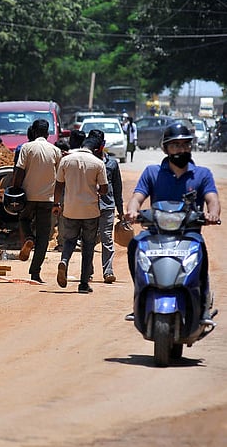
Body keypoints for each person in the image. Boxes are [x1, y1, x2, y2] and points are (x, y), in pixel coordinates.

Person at [125, 122, 221, 320]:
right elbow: (137, 197)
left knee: (201, 256)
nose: (181, 149)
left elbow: (213, 199)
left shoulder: (202, 174)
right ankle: (141, 297)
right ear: (166, 148)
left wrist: (213, 214)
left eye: (185, 144)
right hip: (156, 233)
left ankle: (203, 306)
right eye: (175, 145)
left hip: (189, 234)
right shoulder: (152, 172)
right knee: (135, 245)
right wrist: (132, 211)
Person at [54, 133, 109, 293]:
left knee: (69, 240)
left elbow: (58, 185)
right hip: (90, 211)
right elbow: (104, 189)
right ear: (97, 149)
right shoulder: (98, 163)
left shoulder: (66, 160)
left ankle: (64, 260)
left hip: (70, 209)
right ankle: (84, 284)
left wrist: (56, 204)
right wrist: (96, 189)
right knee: (88, 246)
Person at [11, 119, 62, 283]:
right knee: (43, 236)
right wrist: (57, 202)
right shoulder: (55, 151)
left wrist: (15, 189)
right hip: (47, 199)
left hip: (28, 196)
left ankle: (28, 238)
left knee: (24, 219)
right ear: (47, 133)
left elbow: (19, 171)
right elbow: (59, 179)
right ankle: (35, 272)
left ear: (33, 132)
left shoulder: (27, 148)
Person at [86, 128, 123, 283]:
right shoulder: (84, 162)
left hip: (107, 206)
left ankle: (108, 271)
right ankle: (87, 271)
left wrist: (121, 211)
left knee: (107, 239)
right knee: (88, 240)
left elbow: (117, 189)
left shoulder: (112, 163)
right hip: (88, 207)